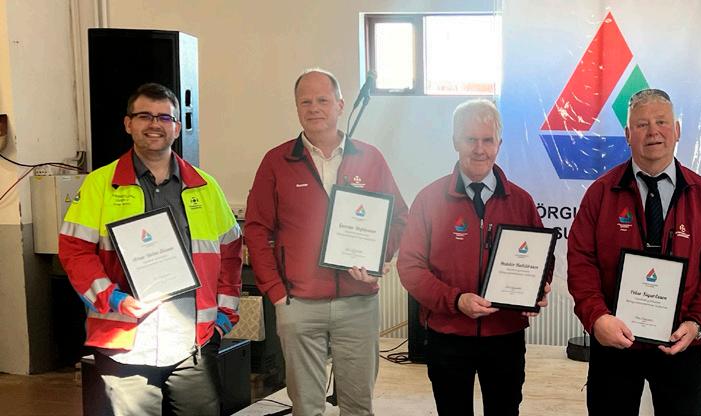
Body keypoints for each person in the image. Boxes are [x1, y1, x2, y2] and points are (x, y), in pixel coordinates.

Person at [59, 82, 242, 415]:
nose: (154, 124)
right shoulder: (100, 185)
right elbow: (74, 250)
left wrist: (223, 318)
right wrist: (112, 298)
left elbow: (231, 252)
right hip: (125, 342)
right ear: (128, 123)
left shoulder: (205, 187)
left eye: (164, 117)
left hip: (192, 343)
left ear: (177, 127)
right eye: (144, 116)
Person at [244, 68, 408, 416]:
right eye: (306, 101)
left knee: (358, 406)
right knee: (306, 407)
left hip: (358, 302)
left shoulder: (370, 158)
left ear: (340, 105)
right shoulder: (276, 161)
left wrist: (378, 259)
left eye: (323, 100)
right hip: (299, 303)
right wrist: (275, 291)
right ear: (296, 107)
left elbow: (398, 218)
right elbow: (257, 229)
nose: (314, 108)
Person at [567, 88, 701, 415]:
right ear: (628, 135)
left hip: (681, 343)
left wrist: (698, 323)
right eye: (642, 124)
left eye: (661, 122)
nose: (653, 132)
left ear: (677, 130)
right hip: (615, 342)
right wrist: (597, 317)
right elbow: (581, 261)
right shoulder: (601, 193)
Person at [397, 99, 550, 415]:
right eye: (470, 139)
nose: (480, 149)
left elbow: (542, 259)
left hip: (505, 335)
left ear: (499, 144)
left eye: (488, 140)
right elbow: (410, 267)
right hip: (448, 335)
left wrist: (538, 288)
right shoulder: (428, 200)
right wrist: (456, 300)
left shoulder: (521, 201)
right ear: (455, 141)